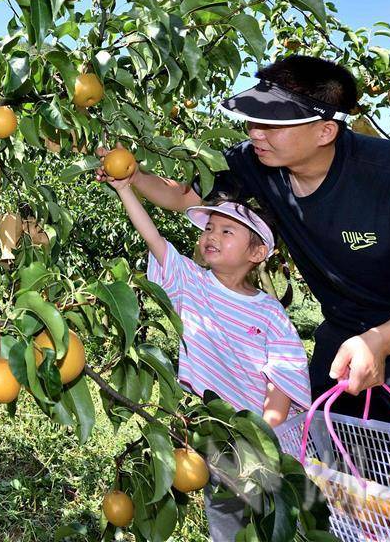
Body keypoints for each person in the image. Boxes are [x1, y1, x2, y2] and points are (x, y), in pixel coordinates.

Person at [113, 55, 390, 542]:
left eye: (274, 124)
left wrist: (382, 339)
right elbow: (183, 196)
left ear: (325, 131)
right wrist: (130, 176)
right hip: (347, 334)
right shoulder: (258, 163)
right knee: (348, 482)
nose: (256, 131)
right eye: (254, 119)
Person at [102, 170, 310, 541]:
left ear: (257, 252)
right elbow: (154, 238)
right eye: (209, 228)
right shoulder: (191, 283)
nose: (211, 235)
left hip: (273, 439)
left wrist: (266, 442)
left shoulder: (269, 314)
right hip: (218, 435)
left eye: (226, 231)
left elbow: (281, 380)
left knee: (284, 523)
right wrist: (124, 189)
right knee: (228, 518)